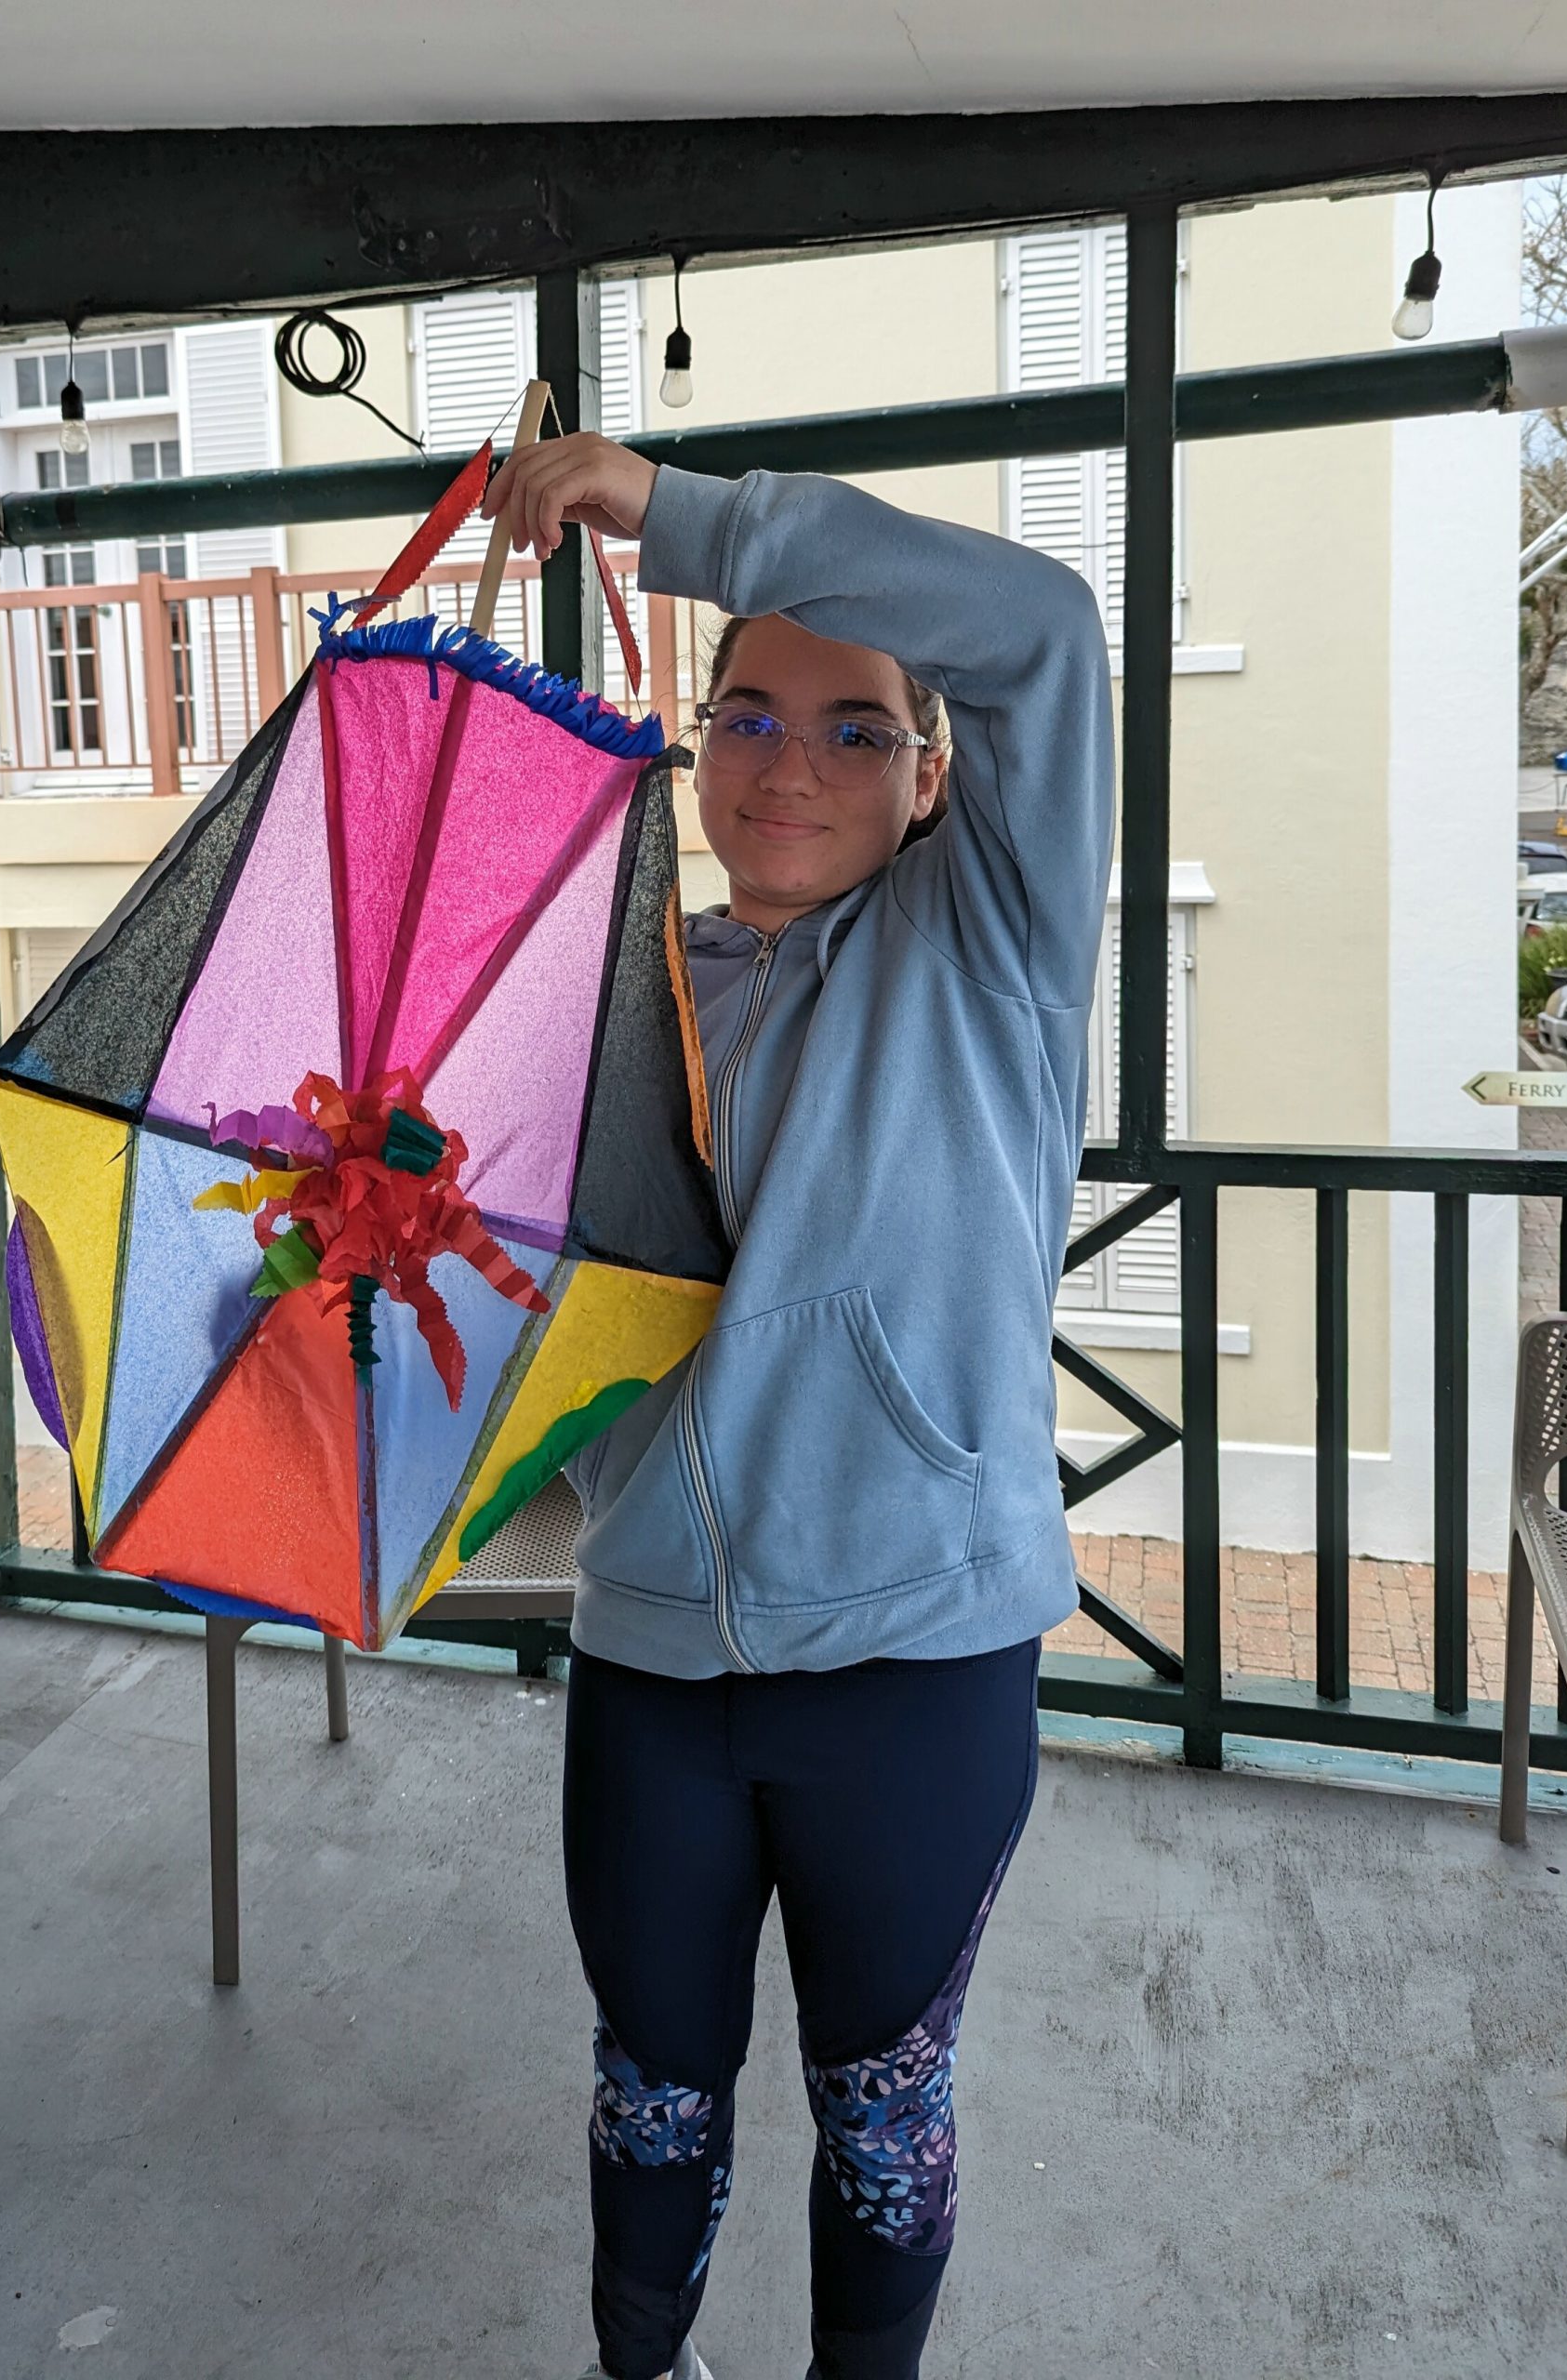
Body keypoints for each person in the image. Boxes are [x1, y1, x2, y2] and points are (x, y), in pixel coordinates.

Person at [480, 433, 1114, 2380]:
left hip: (917, 1656)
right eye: (746, 715)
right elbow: (532, 1291)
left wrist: (694, 525)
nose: (789, 764)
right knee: (652, 2084)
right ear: (695, 752)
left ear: (933, 777)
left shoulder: (988, 946)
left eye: (856, 729)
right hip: (652, 1651)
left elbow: (1041, 628)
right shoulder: (616, 997)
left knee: (882, 2106)